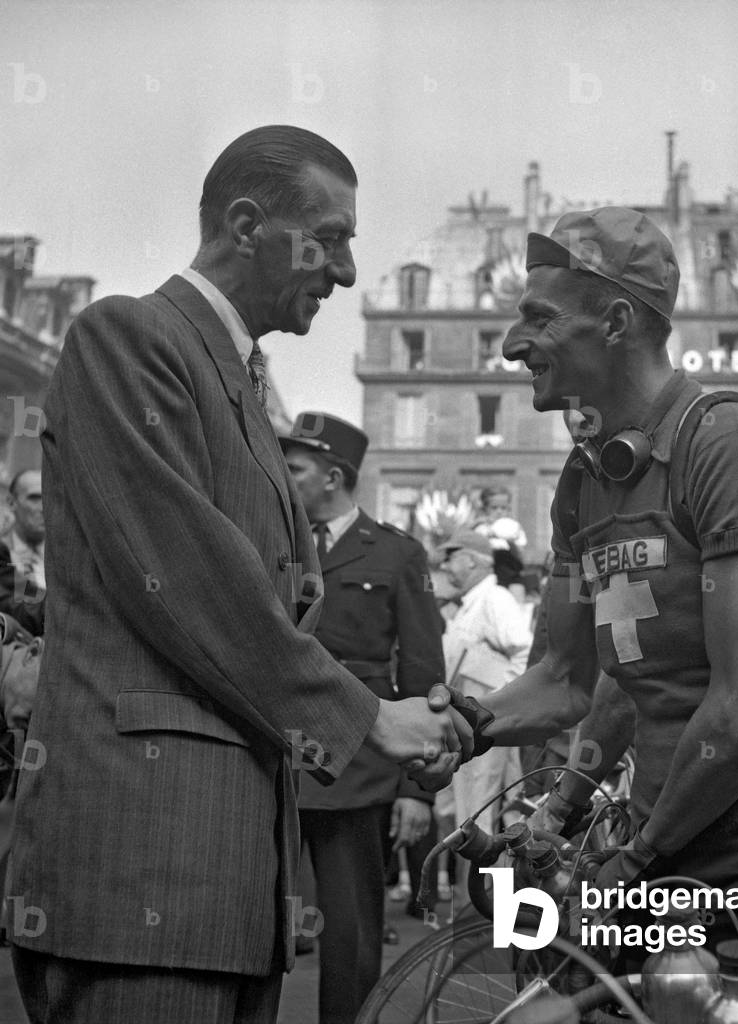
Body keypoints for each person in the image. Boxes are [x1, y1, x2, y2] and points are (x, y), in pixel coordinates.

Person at [7, 125, 469, 1024]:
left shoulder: (239, 382)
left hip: (219, 875)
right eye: (329, 238)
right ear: (248, 223)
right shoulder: (130, 336)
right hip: (144, 867)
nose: (342, 272)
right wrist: (366, 718)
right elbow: (189, 581)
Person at [465, 207, 738, 991]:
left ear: (617, 321)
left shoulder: (725, 445)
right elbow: (576, 679)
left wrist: (631, 863)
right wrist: (459, 732)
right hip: (668, 849)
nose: (511, 343)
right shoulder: (584, 480)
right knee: (558, 985)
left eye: (537, 318)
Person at [280, 411, 445, 1024]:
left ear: (332, 477)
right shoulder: (267, 543)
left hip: (356, 767)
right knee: (248, 924)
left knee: (349, 932)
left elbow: (426, 678)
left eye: (294, 468)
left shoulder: (399, 555)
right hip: (270, 757)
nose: (283, 477)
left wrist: (417, 789)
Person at [438, 530, 532, 896]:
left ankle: (487, 915)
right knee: (475, 816)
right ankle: (480, 916)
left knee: (481, 818)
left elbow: (524, 655)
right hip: (470, 732)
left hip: (486, 731)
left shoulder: (496, 599)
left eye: (452, 556)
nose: (446, 566)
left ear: (473, 560)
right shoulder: (468, 605)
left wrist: (493, 704)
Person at [0, 470, 45, 635]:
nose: (44, 507)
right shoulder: (4, 554)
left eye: (48, 497)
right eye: (34, 498)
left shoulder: (69, 557)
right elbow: (17, 606)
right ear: (12, 503)